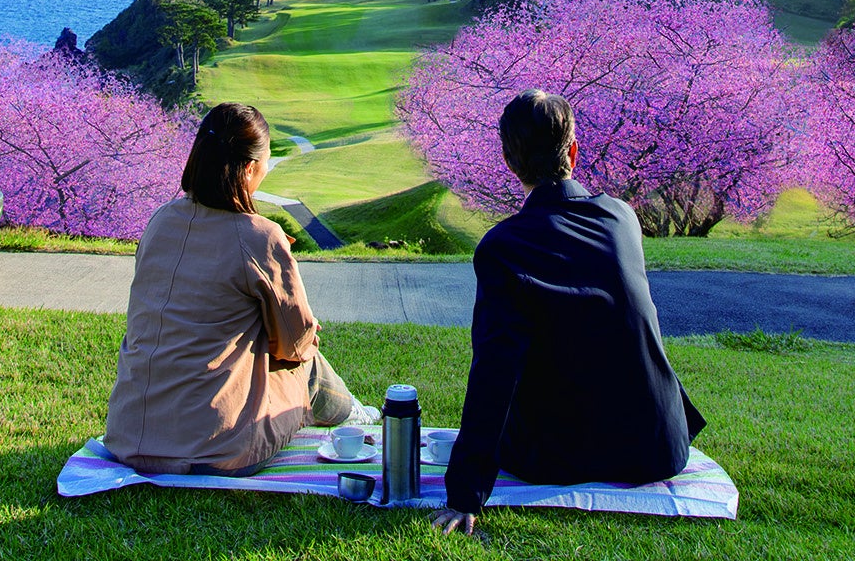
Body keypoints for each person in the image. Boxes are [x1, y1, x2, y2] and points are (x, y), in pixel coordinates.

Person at [432, 89, 705, 534]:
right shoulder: (622, 218)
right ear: (574, 151)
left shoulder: (504, 247)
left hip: (556, 458)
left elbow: (496, 371)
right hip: (657, 447)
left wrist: (465, 492)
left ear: (508, 162)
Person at [104, 101, 370, 475]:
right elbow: (294, 345)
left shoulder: (160, 220)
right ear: (248, 169)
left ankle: (355, 412)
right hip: (214, 447)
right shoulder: (258, 237)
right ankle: (356, 417)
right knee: (309, 361)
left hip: (130, 435)